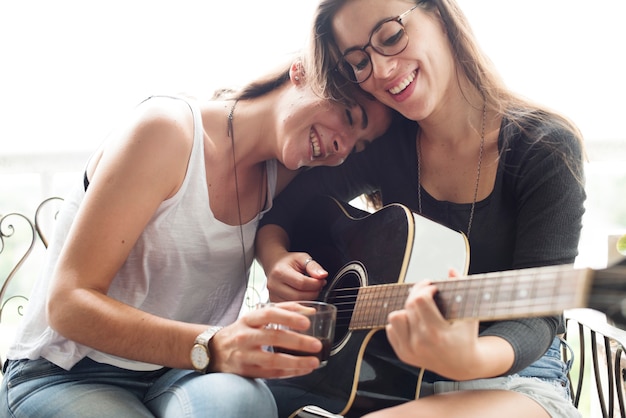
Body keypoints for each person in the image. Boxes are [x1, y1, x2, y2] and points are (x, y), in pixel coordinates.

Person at [0, 56, 392, 418]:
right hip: (66, 371)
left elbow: (281, 224)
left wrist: (274, 257)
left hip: (182, 371)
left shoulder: (286, 173)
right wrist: (216, 344)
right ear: (302, 70)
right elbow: (68, 304)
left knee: (245, 403)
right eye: (347, 114)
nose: (342, 150)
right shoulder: (167, 130)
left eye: (358, 145)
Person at [255, 1, 586, 417]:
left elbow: (538, 316)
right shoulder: (386, 146)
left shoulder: (543, 148)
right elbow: (285, 209)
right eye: (358, 62)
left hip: (516, 383)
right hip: (383, 378)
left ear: (442, 17)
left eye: (391, 36)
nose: (381, 71)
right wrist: (276, 260)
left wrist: (469, 359)